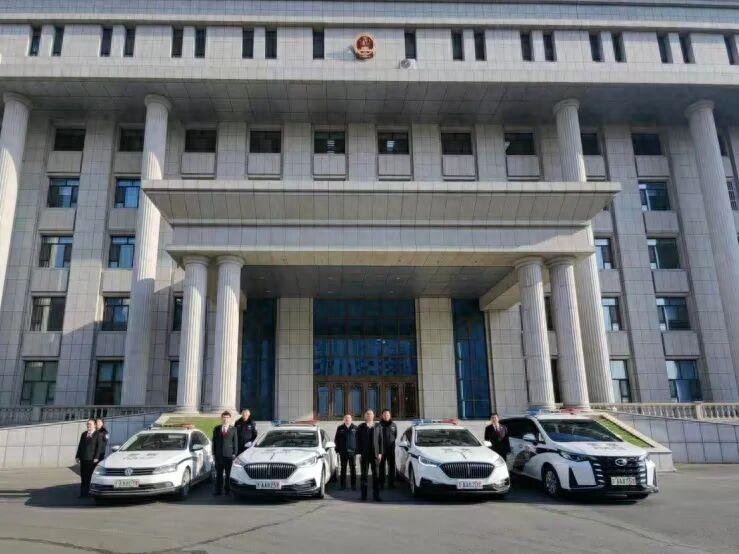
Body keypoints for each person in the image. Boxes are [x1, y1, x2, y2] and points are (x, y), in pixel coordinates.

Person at [356, 409, 383, 501]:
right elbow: (358, 440)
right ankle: (363, 496)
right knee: (364, 475)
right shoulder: (361, 427)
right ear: (365, 416)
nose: (369, 415)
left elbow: (380, 440)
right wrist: (358, 453)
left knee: (376, 475)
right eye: (367, 414)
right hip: (364, 454)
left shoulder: (378, 426)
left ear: (373, 416)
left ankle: (376, 496)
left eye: (371, 414)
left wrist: (380, 453)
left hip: (375, 455)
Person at [212, 411, 238, 496]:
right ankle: (218, 490)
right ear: (221, 418)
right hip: (219, 455)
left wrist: (234, 454)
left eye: (227, 418)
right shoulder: (216, 428)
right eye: (224, 417)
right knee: (219, 474)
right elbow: (214, 441)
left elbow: (235, 442)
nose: (225, 419)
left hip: (229, 455)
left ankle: (227, 490)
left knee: (228, 474)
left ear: (230, 419)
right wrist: (213, 453)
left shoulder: (233, 429)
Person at [75, 418, 104, 498]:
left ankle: (90, 493)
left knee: (90, 477)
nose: (88, 426)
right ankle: (83, 494)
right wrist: (77, 456)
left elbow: (99, 447)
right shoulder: (84, 434)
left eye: (90, 424)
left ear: (94, 425)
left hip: (92, 459)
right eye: (87, 424)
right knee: (83, 476)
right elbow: (80, 446)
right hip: (83, 458)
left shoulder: (98, 434)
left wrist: (96, 457)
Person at [334, 414, 358, 490]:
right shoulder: (340, 428)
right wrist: (337, 450)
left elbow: (358, 440)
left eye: (349, 418)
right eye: (346, 418)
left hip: (352, 452)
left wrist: (357, 450)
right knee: (343, 469)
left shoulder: (355, 428)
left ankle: (353, 485)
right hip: (343, 452)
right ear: (344, 419)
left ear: (351, 419)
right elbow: (336, 439)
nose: (347, 419)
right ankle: (343, 485)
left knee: (353, 468)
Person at [378, 409, 397, 489]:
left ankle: (391, 483)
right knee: (381, 467)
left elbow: (395, 435)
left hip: (391, 450)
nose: (386, 416)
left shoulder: (393, 425)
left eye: (387, 415)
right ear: (382, 416)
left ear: (390, 415)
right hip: (381, 450)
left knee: (391, 466)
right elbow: (377, 437)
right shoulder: (379, 425)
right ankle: (381, 483)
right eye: (385, 415)